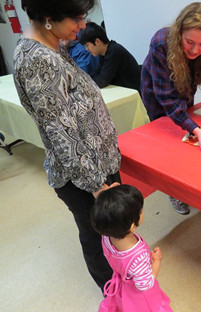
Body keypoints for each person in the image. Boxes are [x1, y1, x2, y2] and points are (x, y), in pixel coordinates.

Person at [14, 0, 121, 292]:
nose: (83, 25)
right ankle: (114, 296)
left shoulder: (55, 44)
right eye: (77, 18)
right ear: (48, 19)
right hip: (86, 177)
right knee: (97, 236)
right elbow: (60, 132)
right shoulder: (38, 60)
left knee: (111, 234)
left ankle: (124, 285)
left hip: (97, 164)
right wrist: (97, 185)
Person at [141, 2, 201, 214]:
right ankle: (174, 190)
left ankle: (191, 182)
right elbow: (166, 99)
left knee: (188, 137)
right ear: (179, 34)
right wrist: (195, 129)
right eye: (189, 42)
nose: (195, 50)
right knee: (170, 141)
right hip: (158, 98)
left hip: (185, 92)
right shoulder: (161, 43)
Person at [91, 185, 172, 312]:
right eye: (140, 212)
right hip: (140, 298)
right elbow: (146, 284)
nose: (142, 212)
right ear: (132, 227)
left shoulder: (106, 237)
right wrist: (156, 261)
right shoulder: (138, 257)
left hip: (122, 290)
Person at [78, 22, 142, 95]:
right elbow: (96, 74)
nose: (86, 49)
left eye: (87, 45)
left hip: (135, 95)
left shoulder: (114, 51)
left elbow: (102, 81)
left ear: (97, 41)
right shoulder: (103, 54)